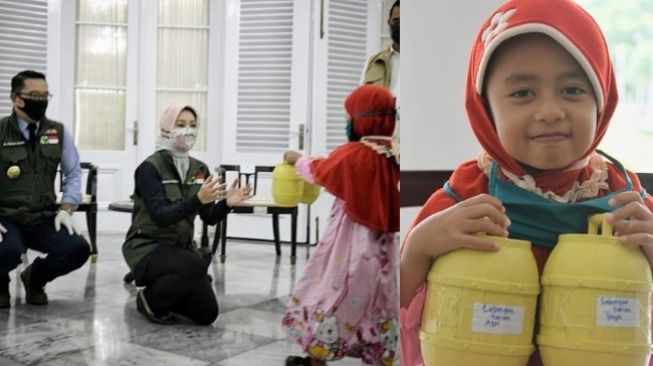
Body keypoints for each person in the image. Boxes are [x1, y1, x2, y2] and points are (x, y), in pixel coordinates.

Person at [400, 1, 653, 365]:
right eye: (522, 93)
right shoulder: (462, 199)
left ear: (602, 99)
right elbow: (401, 308)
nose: (550, 111)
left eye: (573, 90)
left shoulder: (624, 198)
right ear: (485, 108)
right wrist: (419, 249)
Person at [282, 85, 400, 366]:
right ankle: (377, 355)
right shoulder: (394, 153)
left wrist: (297, 159)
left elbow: (319, 171)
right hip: (385, 247)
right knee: (379, 299)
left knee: (333, 292)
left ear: (361, 119)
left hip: (349, 243)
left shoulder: (354, 153)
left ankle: (316, 359)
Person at [122, 105, 251, 325]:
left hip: (180, 251)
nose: (188, 131)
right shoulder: (150, 168)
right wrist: (197, 199)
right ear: (165, 130)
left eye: (193, 125)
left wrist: (227, 204)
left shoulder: (199, 169)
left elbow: (208, 216)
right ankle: (148, 299)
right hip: (147, 247)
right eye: (180, 125)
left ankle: (171, 291)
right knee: (196, 264)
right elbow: (161, 215)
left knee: (207, 314)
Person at [0, 70, 90, 309]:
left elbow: (73, 173)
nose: (41, 100)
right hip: (6, 218)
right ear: (16, 98)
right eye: (34, 95)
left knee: (79, 249)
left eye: (45, 95)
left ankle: (35, 278)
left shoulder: (57, 132)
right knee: (6, 249)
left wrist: (66, 208)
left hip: (42, 217)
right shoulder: (1, 131)